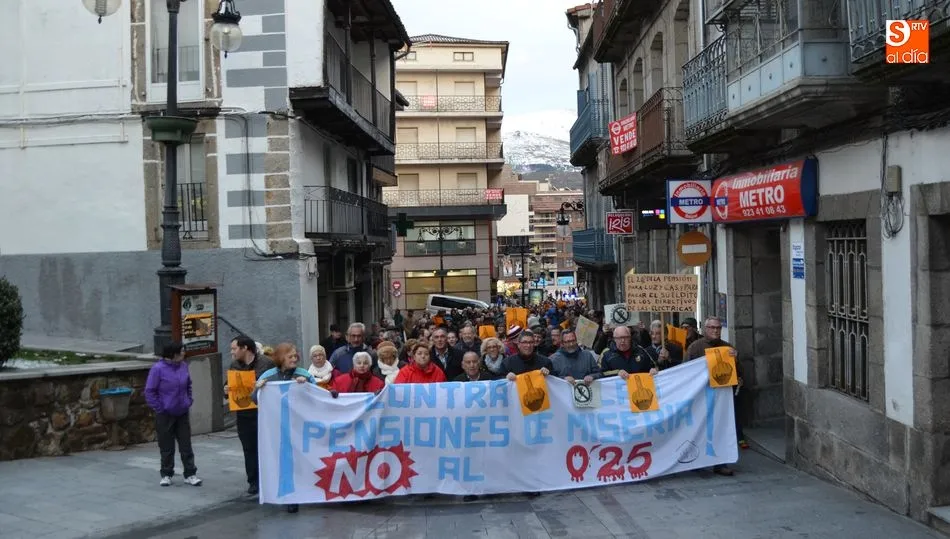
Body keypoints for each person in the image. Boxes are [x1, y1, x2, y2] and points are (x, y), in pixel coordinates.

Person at [252, 343, 316, 514]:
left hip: (299, 425)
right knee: (282, 461)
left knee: (299, 460)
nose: (294, 359)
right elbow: (255, 399)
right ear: (281, 358)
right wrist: (258, 389)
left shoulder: (304, 374)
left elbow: (318, 397)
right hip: (277, 427)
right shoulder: (269, 376)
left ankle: (301, 493)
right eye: (290, 356)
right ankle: (287, 495)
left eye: (295, 356)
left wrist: (307, 386)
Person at [685, 316, 744, 474]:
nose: (716, 330)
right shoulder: (695, 348)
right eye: (712, 327)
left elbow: (738, 373)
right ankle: (697, 461)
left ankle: (720, 463)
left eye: (718, 328)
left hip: (722, 398)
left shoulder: (727, 348)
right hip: (701, 397)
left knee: (721, 428)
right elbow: (685, 371)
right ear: (705, 329)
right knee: (700, 429)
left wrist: (735, 359)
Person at [145, 342, 201, 488]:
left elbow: (188, 385)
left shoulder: (183, 366)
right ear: (173, 353)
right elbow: (150, 391)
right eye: (181, 351)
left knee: (186, 445)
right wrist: (160, 408)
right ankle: (166, 474)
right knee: (166, 446)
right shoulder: (158, 369)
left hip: (182, 412)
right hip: (165, 414)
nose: (184, 353)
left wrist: (188, 400)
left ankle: (190, 474)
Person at [226, 336, 272, 495]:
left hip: (263, 413)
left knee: (265, 446)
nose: (232, 352)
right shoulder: (234, 365)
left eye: (234, 348)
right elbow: (228, 385)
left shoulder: (265, 363)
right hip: (243, 414)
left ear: (244, 348)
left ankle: (268, 478)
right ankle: (253, 481)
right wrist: (226, 390)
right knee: (248, 448)